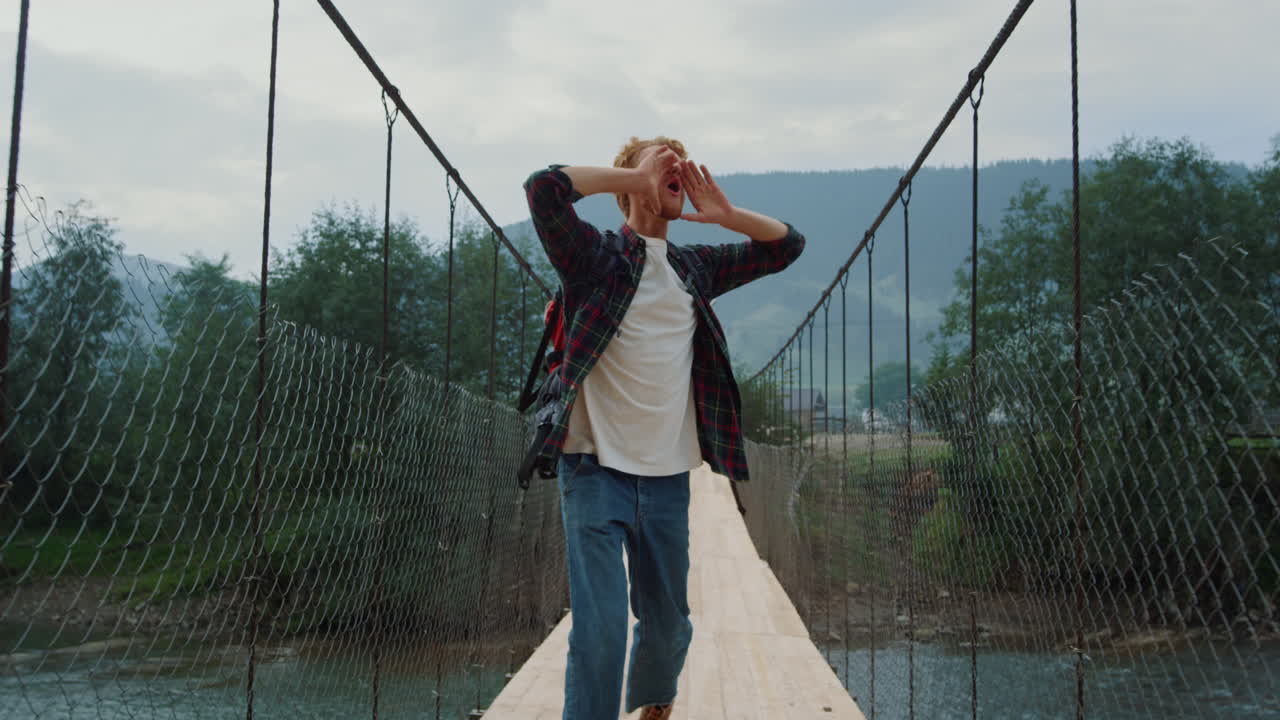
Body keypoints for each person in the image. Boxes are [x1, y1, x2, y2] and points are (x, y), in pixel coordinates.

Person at [523, 136, 805, 720]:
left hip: (668, 479)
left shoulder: (694, 267)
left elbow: (787, 247)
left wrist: (726, 217)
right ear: (626, 185)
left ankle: (655, 699)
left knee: (669, 624)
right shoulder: (592, 259)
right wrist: (636, 178)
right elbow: (543, 191)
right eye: (661, 163)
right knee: (600, 632)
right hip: (592, 468)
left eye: (679, 163)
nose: (675, 168)